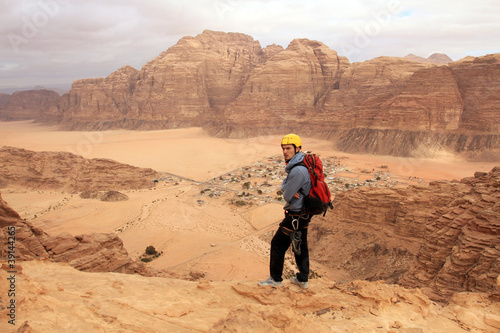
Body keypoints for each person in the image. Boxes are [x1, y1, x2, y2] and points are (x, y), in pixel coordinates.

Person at [259, 133, 312, 289]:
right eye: (283, 148)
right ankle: (303, 279)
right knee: (301, 245)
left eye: (288, 148)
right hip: (304, 214)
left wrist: (288, 190)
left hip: (295, 215)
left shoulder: (297, 171)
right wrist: (287, 188)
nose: (285, 151)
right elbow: (286, 187)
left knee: (277, 244)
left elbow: (287, 196)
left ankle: (275, 279)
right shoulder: (301, 165)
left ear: (298, 149)